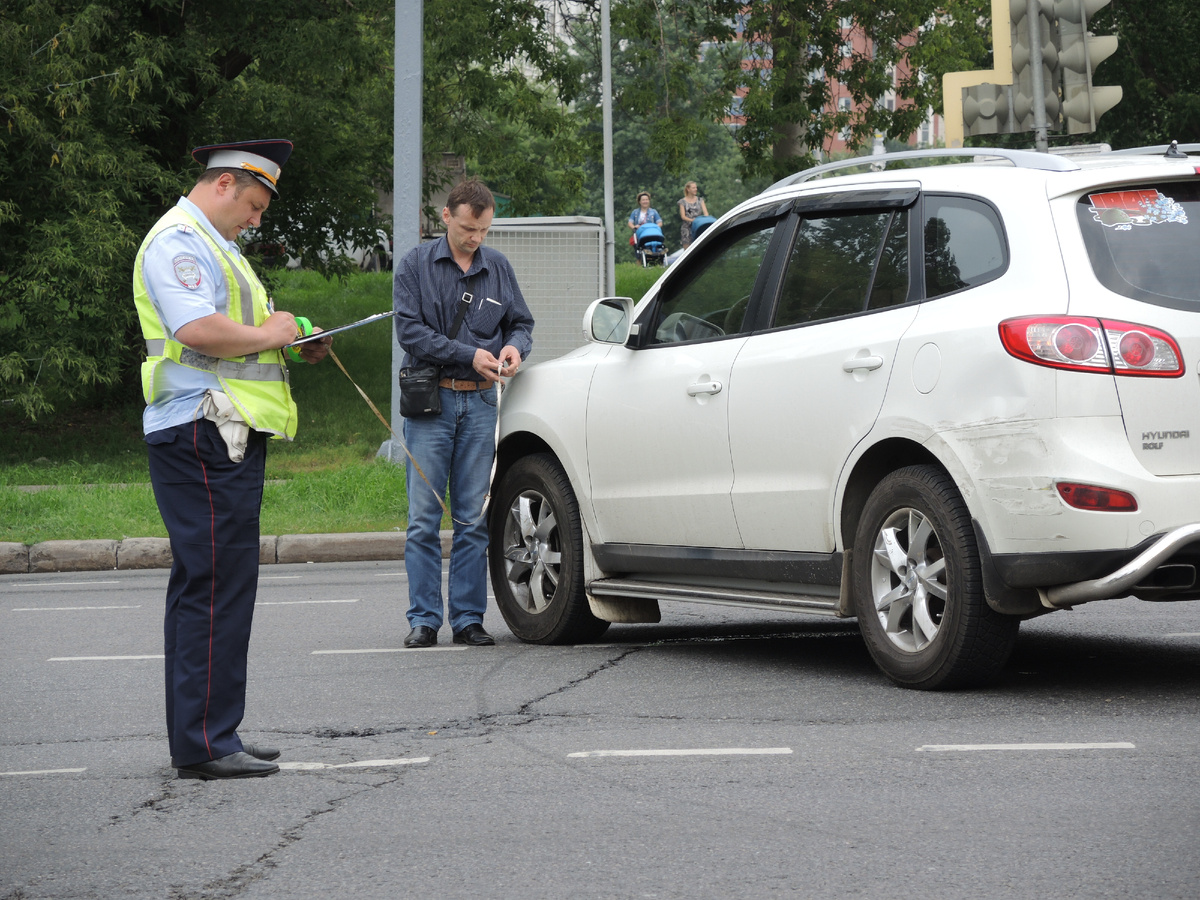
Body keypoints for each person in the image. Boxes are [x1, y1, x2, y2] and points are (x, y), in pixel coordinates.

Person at [134, 138, 330, 781]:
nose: (255, 220)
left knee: (217, 584)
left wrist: (292, 340)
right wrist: (272, 333)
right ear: (223, 185)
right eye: (252, 205)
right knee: (215, 585)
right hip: (202, 429)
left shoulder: (217, 247)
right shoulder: (178, 241)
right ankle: (205, 743)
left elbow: (242, 334)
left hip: (219, 429)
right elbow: (197, 330)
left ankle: (216, 729)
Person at [393, 178, 534, 649]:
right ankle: (425, 620)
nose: (476, 238)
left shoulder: (498, 266)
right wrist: (466, 354)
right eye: (469, 229)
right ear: (446, 216)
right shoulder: (415, 265)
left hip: (480, 403)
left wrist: (514, 348)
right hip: (431, 403)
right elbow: (409, 333)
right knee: (423, 519)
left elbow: (521, 322)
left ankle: (469, 619)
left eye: (484, 230)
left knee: (474, 518)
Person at [677, 181, 709, 249]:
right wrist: (692, 220)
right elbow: (683, 216)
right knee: (687, 249)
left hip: (698, 226)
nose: (696, 189)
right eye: (693, 188)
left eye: (696, 187)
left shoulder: (700, 200)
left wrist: (704, 220)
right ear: (688, 189)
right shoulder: (682, 202)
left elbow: (706, 213)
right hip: (687, 228)